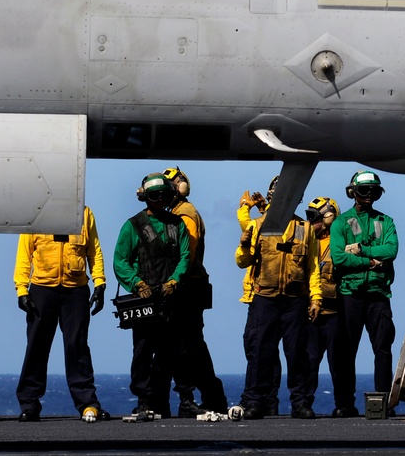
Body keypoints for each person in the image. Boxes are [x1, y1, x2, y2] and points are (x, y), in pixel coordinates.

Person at [235, 176, 322, 420]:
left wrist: (316, 298)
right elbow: (242, 261)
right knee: (261, 353)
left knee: (297, 354)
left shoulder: (306, 230)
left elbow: (313, 266)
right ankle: (255, 402)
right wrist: (243, 246)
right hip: (265, 298)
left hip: (295, 299)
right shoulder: (257, 226)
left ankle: (300, 403)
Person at [13, 206, 110, 423]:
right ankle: (29, 405)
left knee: (77, 345)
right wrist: (21, 289)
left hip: (75, 289)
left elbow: (94, 249)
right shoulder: (36, 212)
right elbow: (24, 253)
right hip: (41, 289)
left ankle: (88, 404)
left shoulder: (85, 213)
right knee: (36, 346)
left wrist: (100, 283)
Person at [114, 172, 191, 417]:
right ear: (146, 197)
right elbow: (120, 261)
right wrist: (137, 284)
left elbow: (185, 257)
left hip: (172, 298)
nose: (159, 200)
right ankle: (145, 400)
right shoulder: (132, 226)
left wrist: (174, 281)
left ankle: (185, 399)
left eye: (163, 195)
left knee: (179, 350)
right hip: (146, 300)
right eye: (154, 196)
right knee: (143, 352)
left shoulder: (177, 224)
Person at [329, 171, 399, 418]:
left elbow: (391, 250)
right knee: (346, 351)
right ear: (353, 193)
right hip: (350, 295)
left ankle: (383, 404)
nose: (369, 196)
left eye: (373, 191)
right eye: (363, 191)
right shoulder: (341, 223)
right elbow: (338, 257)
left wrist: (360, 250)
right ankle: (344, 404)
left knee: (383, 350)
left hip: (378, 295)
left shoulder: (386, 222)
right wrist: (371, 262)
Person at [161, 167, 228, 416]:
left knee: (188, 345)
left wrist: (172, 280)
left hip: (187, 287)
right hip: (187, 285)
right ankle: (210, 396)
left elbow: (185, 255)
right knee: (189, 344)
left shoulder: (185, 215)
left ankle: (203, 396)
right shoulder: (177, 213)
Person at [236, 181, 281, 416]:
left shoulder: (263, 224)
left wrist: (245, 207)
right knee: (263, 348)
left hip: (262, 295)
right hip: (262, 294)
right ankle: (268, 400)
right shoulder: (274, 222)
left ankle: (259, 398)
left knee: (258, 347)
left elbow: (249, 225)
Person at [302, 196, 344, 418]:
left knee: (338, 362)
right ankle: (304, 403)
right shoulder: (305, 240)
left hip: (334, 312)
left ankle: (343, 404)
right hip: (310, 313)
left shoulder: (339, 242)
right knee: (309, 361)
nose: (309, 222)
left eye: (314, 218)